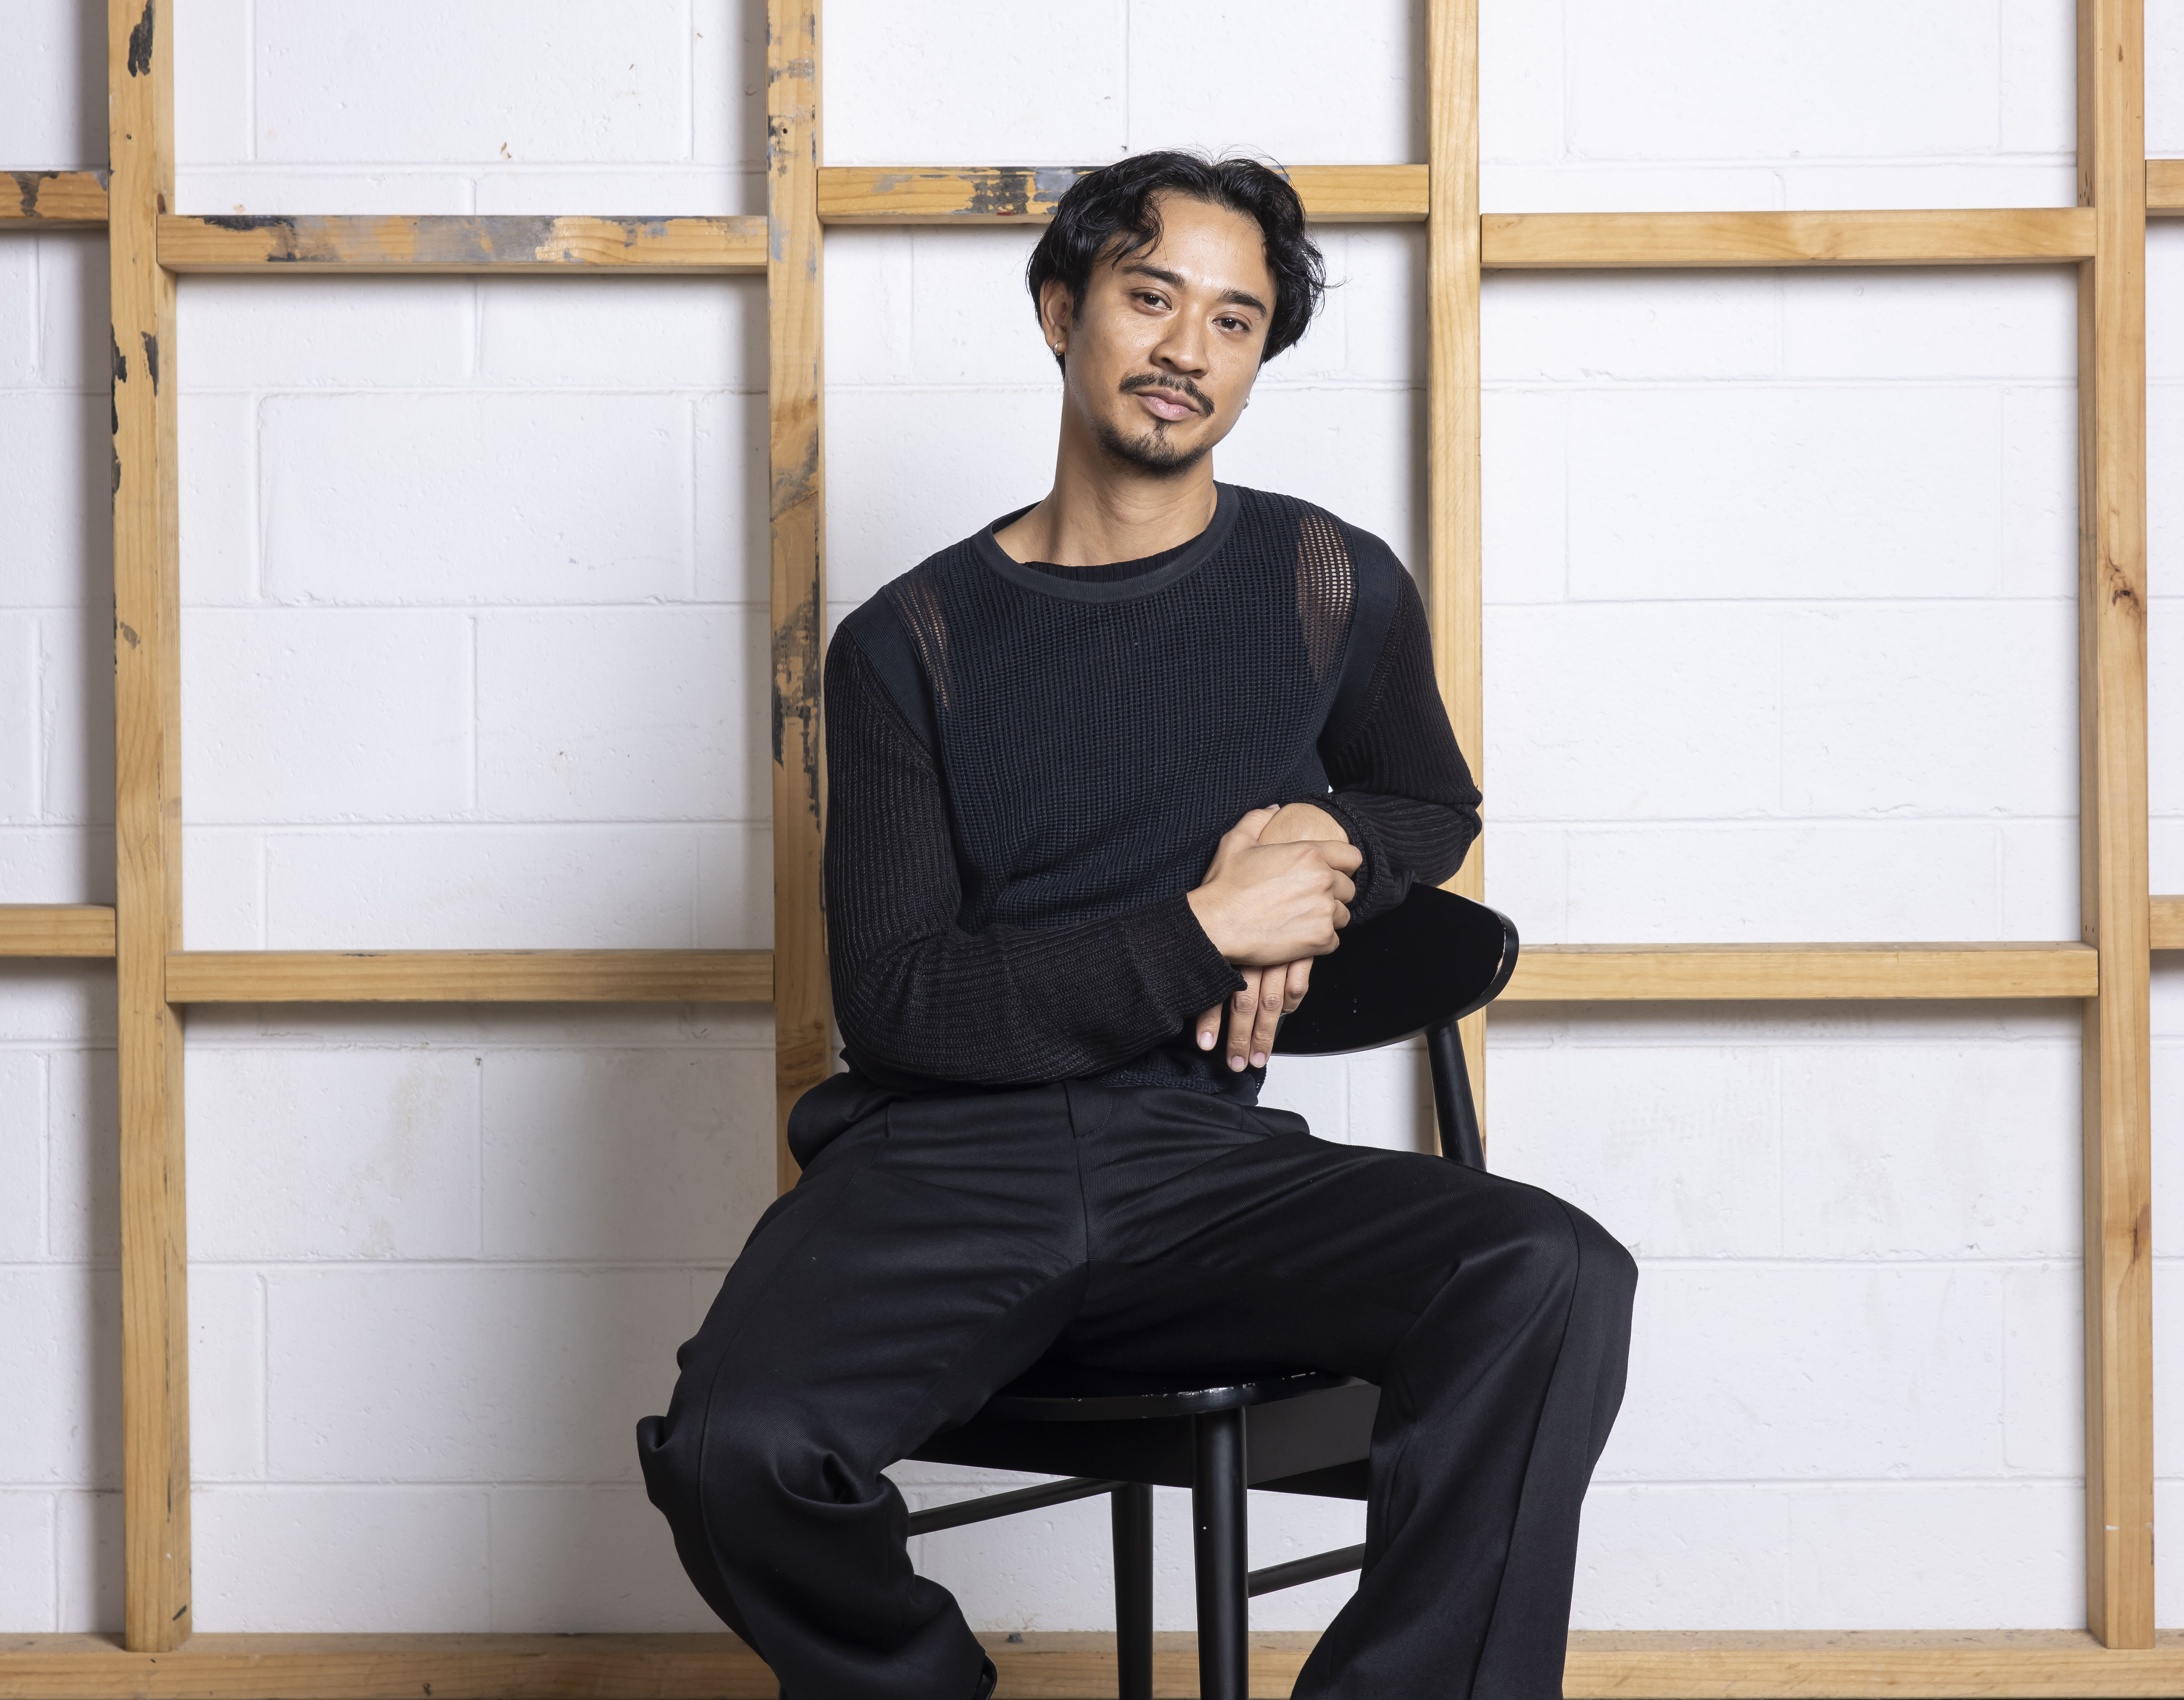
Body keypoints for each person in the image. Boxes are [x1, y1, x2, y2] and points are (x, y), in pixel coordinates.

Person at [638, 150, 1636, 1700]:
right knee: (730, 1452)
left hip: (1198, 1167)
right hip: (943, 1166)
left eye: (1234, 321)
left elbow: (1430, 802)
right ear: (1062, 309)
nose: (1188, 349)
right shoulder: (906, 644)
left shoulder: (1325, 584)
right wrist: (1206, 927)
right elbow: (898, 1001)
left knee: (1554, 1273)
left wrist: (1326, 841)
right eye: (1150, 296)